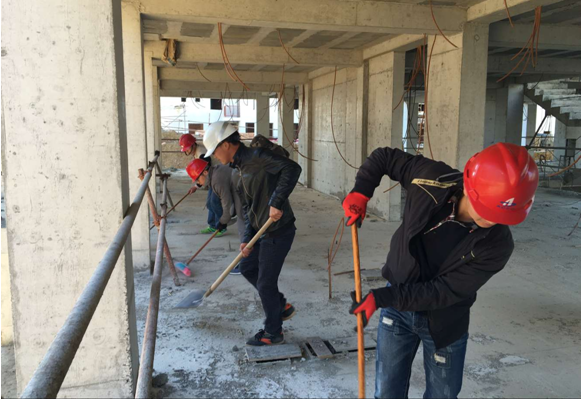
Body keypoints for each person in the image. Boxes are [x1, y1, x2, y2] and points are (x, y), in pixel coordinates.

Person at [344, 143, 539, 399]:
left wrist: (384, 297)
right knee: (387, 392)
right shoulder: (431, 179)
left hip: (445, 322)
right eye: (487, 209)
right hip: (397, 311)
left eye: (502, 216)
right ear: (469, 186)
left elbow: (442, 292)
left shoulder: (498, 245)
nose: (492, 220)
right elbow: (384, 157)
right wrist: (362, 191)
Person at [203, 121, 302, 346]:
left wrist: (277, 201)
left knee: (265, 283)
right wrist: (247, 238)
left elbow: (292, 169)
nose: (215, 156)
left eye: (215, 150)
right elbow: (247, 208)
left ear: (226, 144)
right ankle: (280, 306)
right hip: (260, 231)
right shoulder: (237, 171)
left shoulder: (258, 157)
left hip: (278, 230)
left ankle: (273, 332)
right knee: (247, 267)